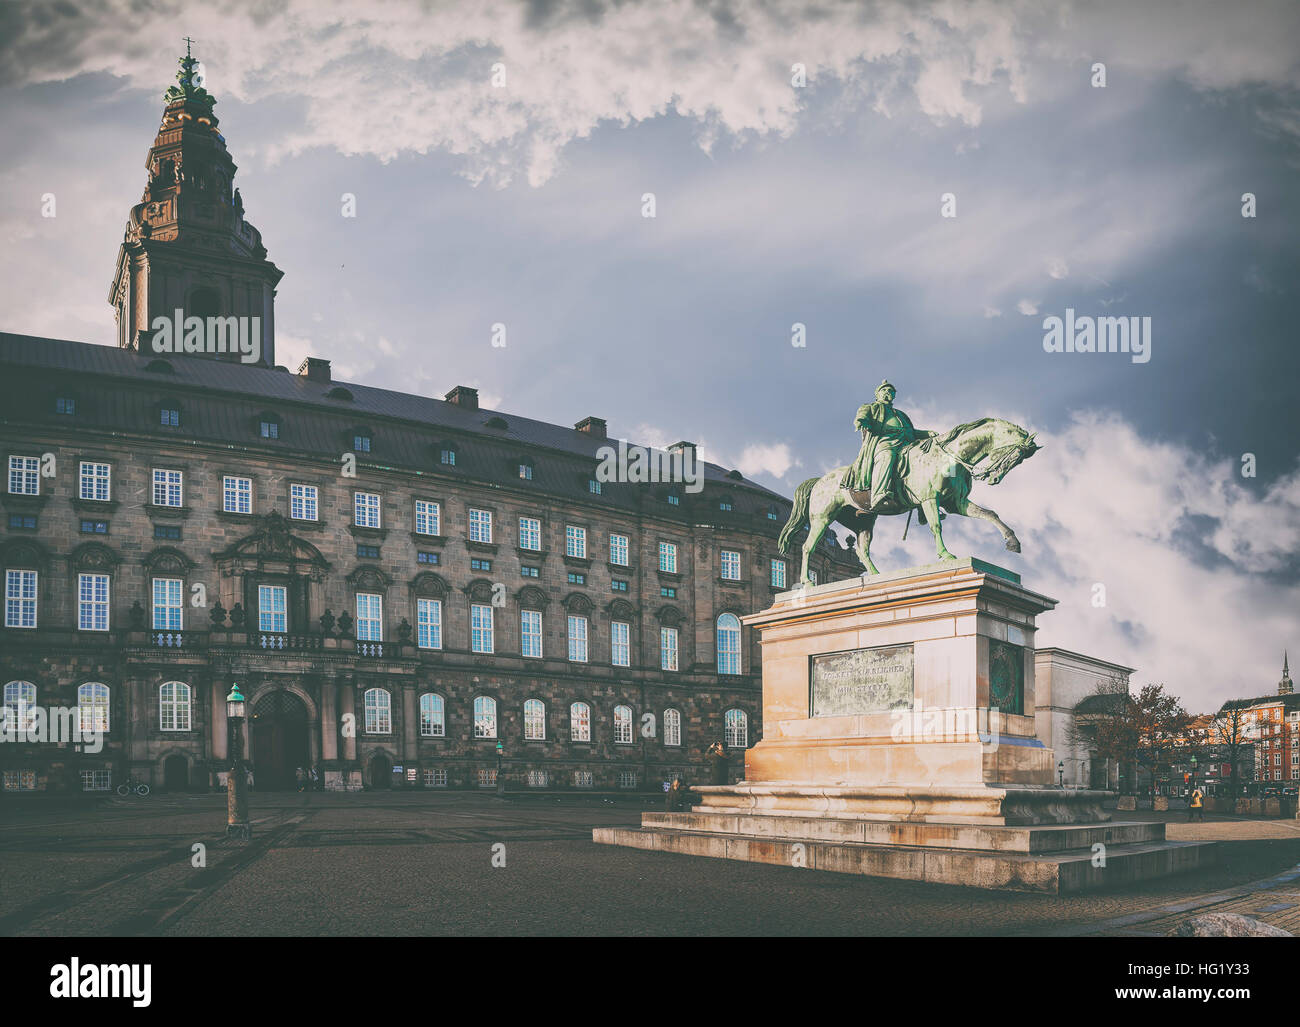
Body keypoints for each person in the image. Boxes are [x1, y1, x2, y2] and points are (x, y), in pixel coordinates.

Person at [840, 380, 931, 511]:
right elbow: (862, 415)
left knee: (923, 459)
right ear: (877, 395)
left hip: (906, 443)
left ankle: (924, 503)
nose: (887, 392)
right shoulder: (871, 407)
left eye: (890, 391)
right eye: (884, 390)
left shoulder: (900, 414)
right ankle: (878, 494)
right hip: (884, 442)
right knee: (887, 456)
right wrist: (862, 421)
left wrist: (927, 433)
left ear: (894, 395)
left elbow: (912, 432)